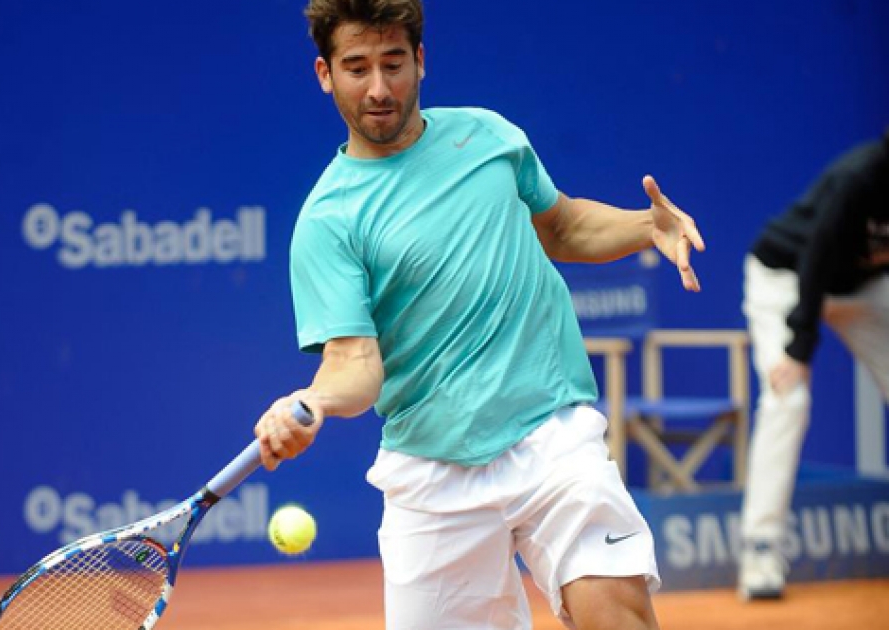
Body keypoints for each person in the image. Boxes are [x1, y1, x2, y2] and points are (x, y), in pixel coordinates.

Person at [253, 1, 705, 628]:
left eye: (394, 64)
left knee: (616, 612)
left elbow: (563, 225)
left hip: (550, 433)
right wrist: (316, 402)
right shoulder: (327, 221)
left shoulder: (489, 138)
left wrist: (644, 226)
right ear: (325, 74)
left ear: (421, 61)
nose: (379, 89)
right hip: (432, 477)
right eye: (357, 68)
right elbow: (353, 361)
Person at [738, 133, 889, 601]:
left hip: (863, 288)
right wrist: (800, 346)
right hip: (786, 275)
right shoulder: (860, 176)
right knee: (789, 398)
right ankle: (760, 553)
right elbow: (817, 252)